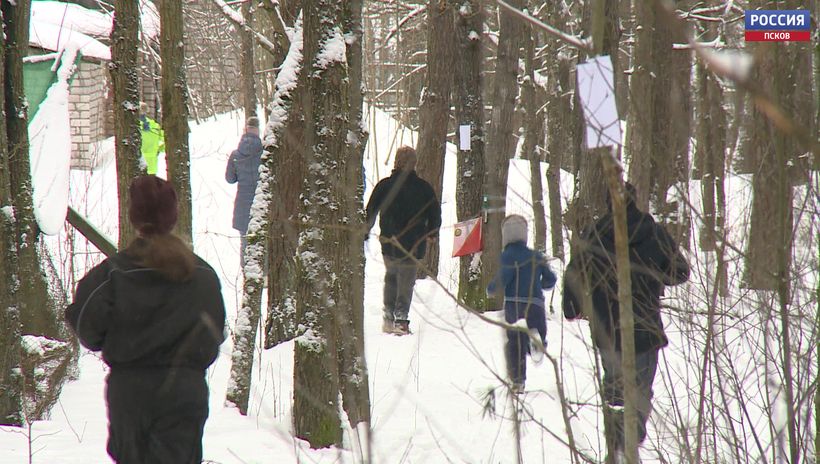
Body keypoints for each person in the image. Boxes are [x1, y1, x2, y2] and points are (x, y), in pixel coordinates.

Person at [65, 175, 226, 464]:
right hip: (184, 393)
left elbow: (88, 330)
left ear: (134, 218)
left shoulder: (111, 274)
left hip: (131, 395)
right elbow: (213, 339)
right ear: (173, 217)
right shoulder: (203, 276)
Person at [562, 182, 689, 452]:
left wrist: (571, 308)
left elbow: (574, 272)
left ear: (609, 203)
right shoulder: (654, 233)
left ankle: (618, 445)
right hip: (645, 327)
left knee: (616, 388)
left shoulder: (595, 233)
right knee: (640, 392)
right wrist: (655, 276)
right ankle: (630, 443)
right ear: (635, 200)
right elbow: (680, 271)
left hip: (608, 328)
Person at [365, 146, 441, 335]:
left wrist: (366, 230)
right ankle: (401, 319)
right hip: (413, 243)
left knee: (391, 277)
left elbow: (371, 210)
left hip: (389, 241)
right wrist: (432, 233)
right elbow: (435, 213)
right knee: (406, 281)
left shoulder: (384, 186)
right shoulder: (424, 188)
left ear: (396, 162)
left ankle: (389, 316)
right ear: (414, 164)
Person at [487, 215, 557, 393]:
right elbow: (551, 279)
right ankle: (537, 342)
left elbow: (504, 277)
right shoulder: (535, 255)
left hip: (514, 305)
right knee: (537, 330)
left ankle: (518, 381)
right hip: (535, 303)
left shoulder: (507, 256)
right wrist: (541, 285)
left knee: (514, 342)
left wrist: (492, 289)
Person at [225, 116, 264, 266]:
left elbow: (229, 179)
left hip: (242, 204)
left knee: (245, 242)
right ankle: (263, 276)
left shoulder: (236, 155)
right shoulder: (264, 153)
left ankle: (246, 273)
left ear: (245, 130)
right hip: (261, 201)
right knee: (261, 240)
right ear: (258, 130)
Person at [139, 101, 165, 175]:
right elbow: (165, 140)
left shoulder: (131, 127)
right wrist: (158, 149)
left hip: (137, 164)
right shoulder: (155, 126)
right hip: (152, 165)